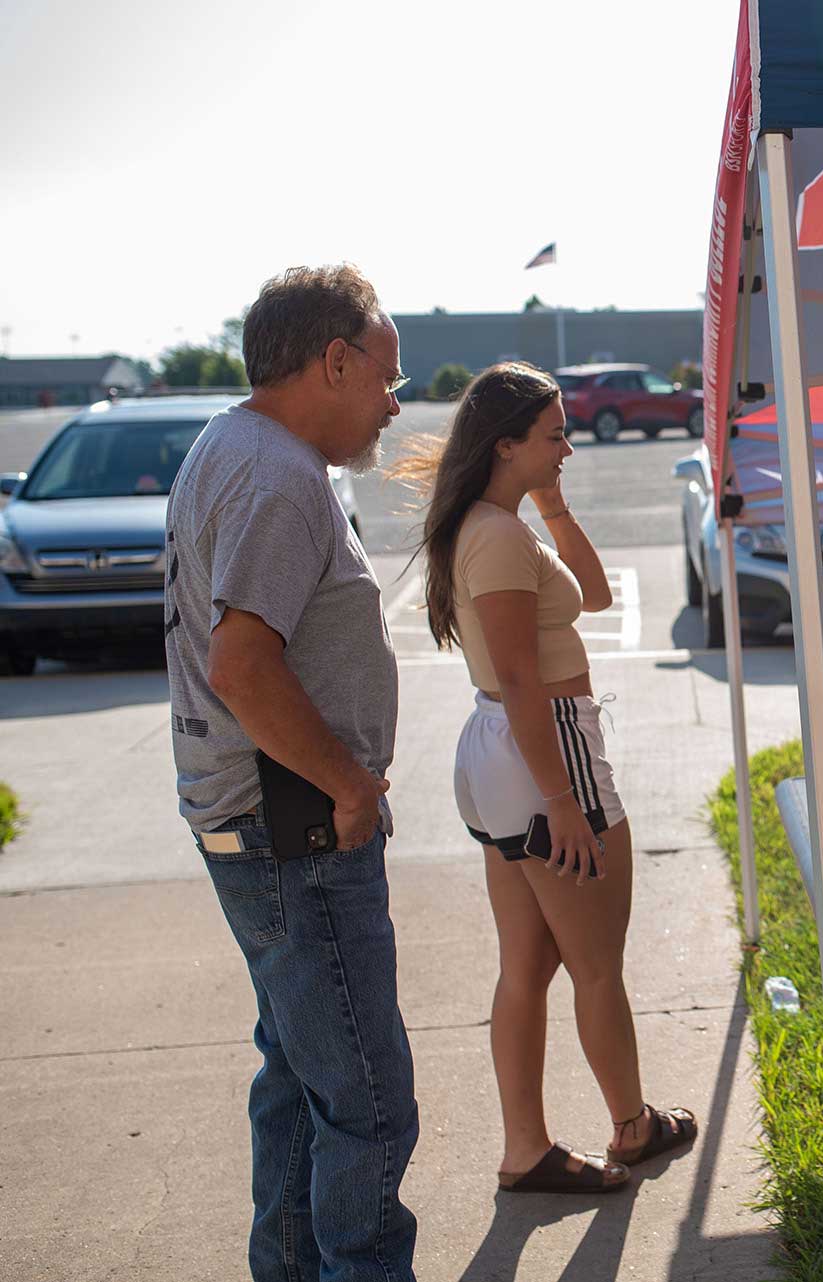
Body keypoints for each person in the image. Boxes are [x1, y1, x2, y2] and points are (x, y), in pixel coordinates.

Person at [164, 264, 417, 1280]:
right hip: (298, 829)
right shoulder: (279, 478)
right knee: (365, 1100)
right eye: (385, 376)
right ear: (334, 359)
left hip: (259, 824)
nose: (395, 402)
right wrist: (352, 786)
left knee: (303, 1083)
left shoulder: (232, 444)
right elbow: (244, 667)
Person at [403, 362, 697, 1193]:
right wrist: (566, 802)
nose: (569, 445)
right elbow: (523, 679)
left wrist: (552, 504)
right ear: (505, 444)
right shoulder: (494, 536)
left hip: (506, 753)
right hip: (546, 750)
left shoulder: (499, 523)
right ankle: (632, 1129)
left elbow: (596, 596)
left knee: (527, 965)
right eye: (553, 434)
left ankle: (526, 1150)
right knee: (598, 963)